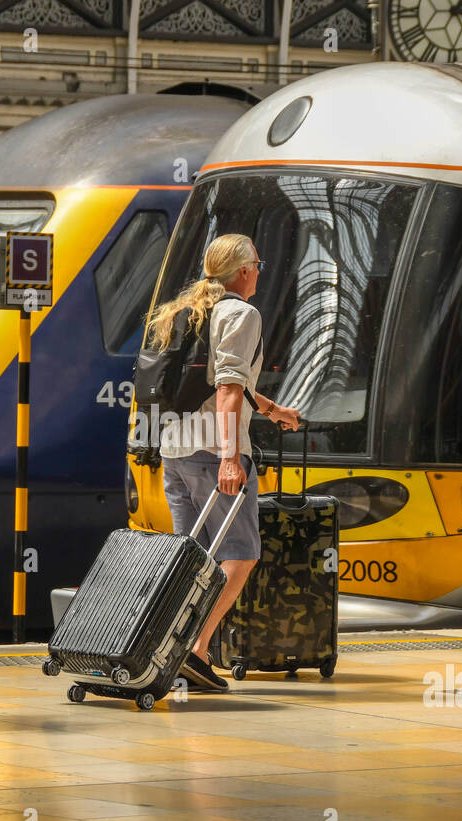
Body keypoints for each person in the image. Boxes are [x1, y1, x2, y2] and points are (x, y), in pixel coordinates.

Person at [143, 234, 301, 691]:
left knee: (191, 558)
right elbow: (228, 391)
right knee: (240, 555)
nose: (258, 274)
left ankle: (167, 649)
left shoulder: (184, 311)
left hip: (173, 447)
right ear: (246, 271)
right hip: (214, 453)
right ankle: (194, 648)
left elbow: (221, 383)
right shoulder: (241, 314)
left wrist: (272, 411)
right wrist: (232, 457)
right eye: (259, 265)